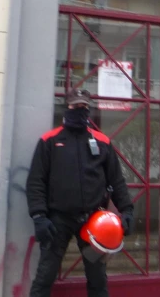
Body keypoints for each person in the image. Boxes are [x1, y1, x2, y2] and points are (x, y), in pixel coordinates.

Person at [26, 88, 134, 297]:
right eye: (75, 106)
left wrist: (127, 210)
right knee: (45, 276)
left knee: (97, 277)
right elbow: (36, 181)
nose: (80, 109)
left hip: (94, 223)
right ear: (67, 107)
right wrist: (39, 216)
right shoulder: (50, 140)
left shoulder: (102, 142)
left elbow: (116, 180)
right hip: (58, 221)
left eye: (84, 106)